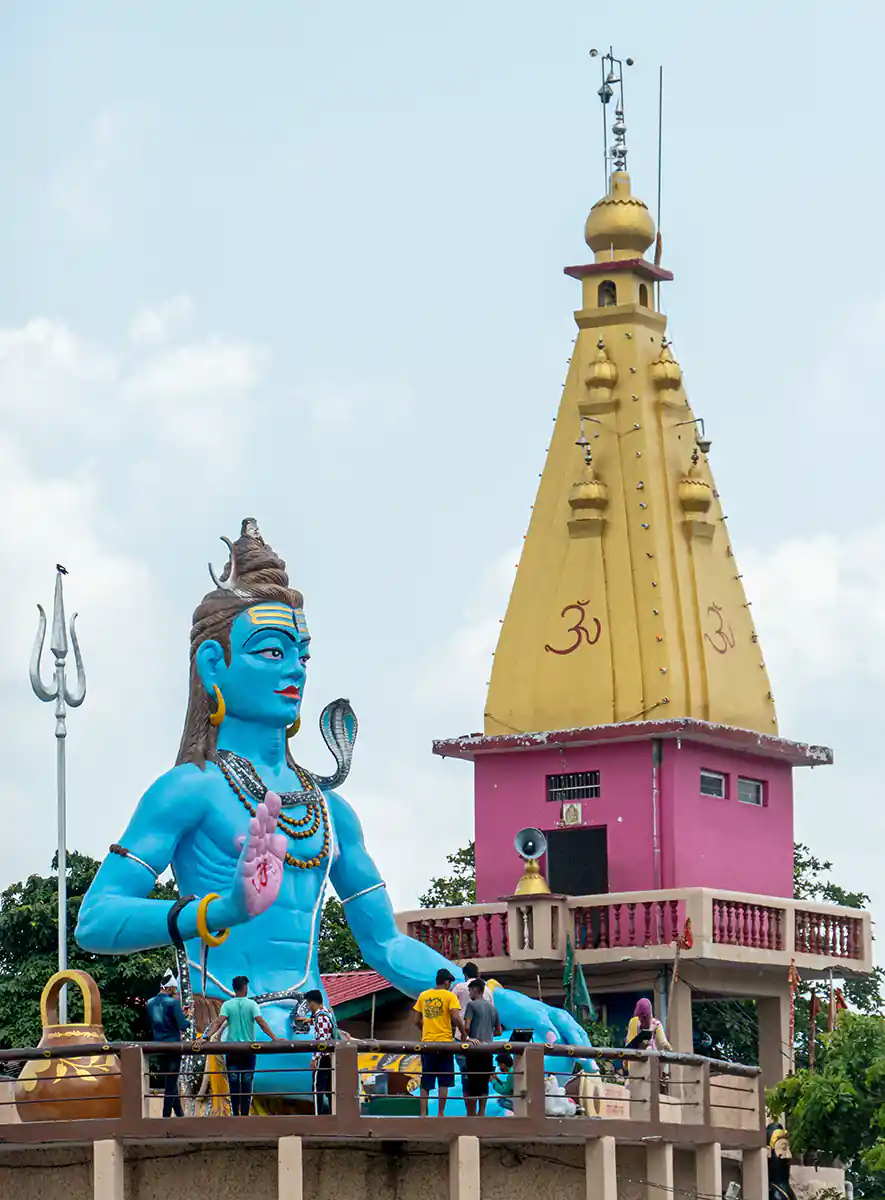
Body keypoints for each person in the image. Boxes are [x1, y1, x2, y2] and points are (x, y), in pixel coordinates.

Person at [76, 520, 592, 1105]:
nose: (293, 669)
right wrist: (220, 909)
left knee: (488, 1102)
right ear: (213, 667)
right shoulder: (188, 790)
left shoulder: (331, 811)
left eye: (301, 653)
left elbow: (386, 948)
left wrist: (492, 994)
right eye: (270, 652)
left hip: (318, 1043)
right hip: (230, 1050)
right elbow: (95, 921)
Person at [204, 976, 282, 1115]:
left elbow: (217, 1023)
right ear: (245, 987)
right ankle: (245, 1114)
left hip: (232, 1049)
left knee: (233, 1082)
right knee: (247, 1081)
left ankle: (236, 1114)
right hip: (248, 1049)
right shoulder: (252, 1005)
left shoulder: (227, 1005)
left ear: (234, 988)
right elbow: (262, 1023)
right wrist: (275, 1038)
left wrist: (205, 1037)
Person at [413, 968, 466, 1116]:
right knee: (444, 1080)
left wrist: (425, 1030)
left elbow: (416, 1021)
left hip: (427, 1044)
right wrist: (463, 1032)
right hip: (445, 1043)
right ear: (447, 982)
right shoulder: (450, 996)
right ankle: (441, 1113)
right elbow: (456, 1017)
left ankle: (423, 1114)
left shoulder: (423, 996)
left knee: (426, 1080)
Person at [145, 972, 189, 1117]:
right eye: (174, 989)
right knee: (171, 1083)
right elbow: (182, 1026)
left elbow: (162, 1021)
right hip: (173, 1046)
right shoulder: (173, 1003)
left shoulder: (150, 1003)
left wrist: (179, 1015)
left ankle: (180, 1114)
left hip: (158, 1045)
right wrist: (187, 1017)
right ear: (169, 988)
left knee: (170, 1081)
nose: (175, 992)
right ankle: (165, 1117)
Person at [462, 978, 502, 1116]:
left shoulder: (471, 1006)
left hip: (474, 1049)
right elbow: (499, 1031)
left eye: (470, 990)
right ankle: (482, 1112)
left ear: (475, 990)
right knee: (484, 1081)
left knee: (473, 1081)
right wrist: (487, 1034)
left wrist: (468, 1038)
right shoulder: (493, 1008)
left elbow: (466, 1027)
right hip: (488, 1049)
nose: (469, 993)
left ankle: (472, 1115)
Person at [305, 989, 337, 1114]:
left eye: (308, 1004)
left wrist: (314, 1058)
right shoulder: (327, 1012)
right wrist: (310, 1021)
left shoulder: (320, 1017)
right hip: (330, 1057)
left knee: (317, 1087)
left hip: (323, 1057)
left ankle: (318, 1116)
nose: (308, 1007)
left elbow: (322, 1040)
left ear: (312, 1003)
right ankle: (332, 1114)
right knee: (330, 1088)